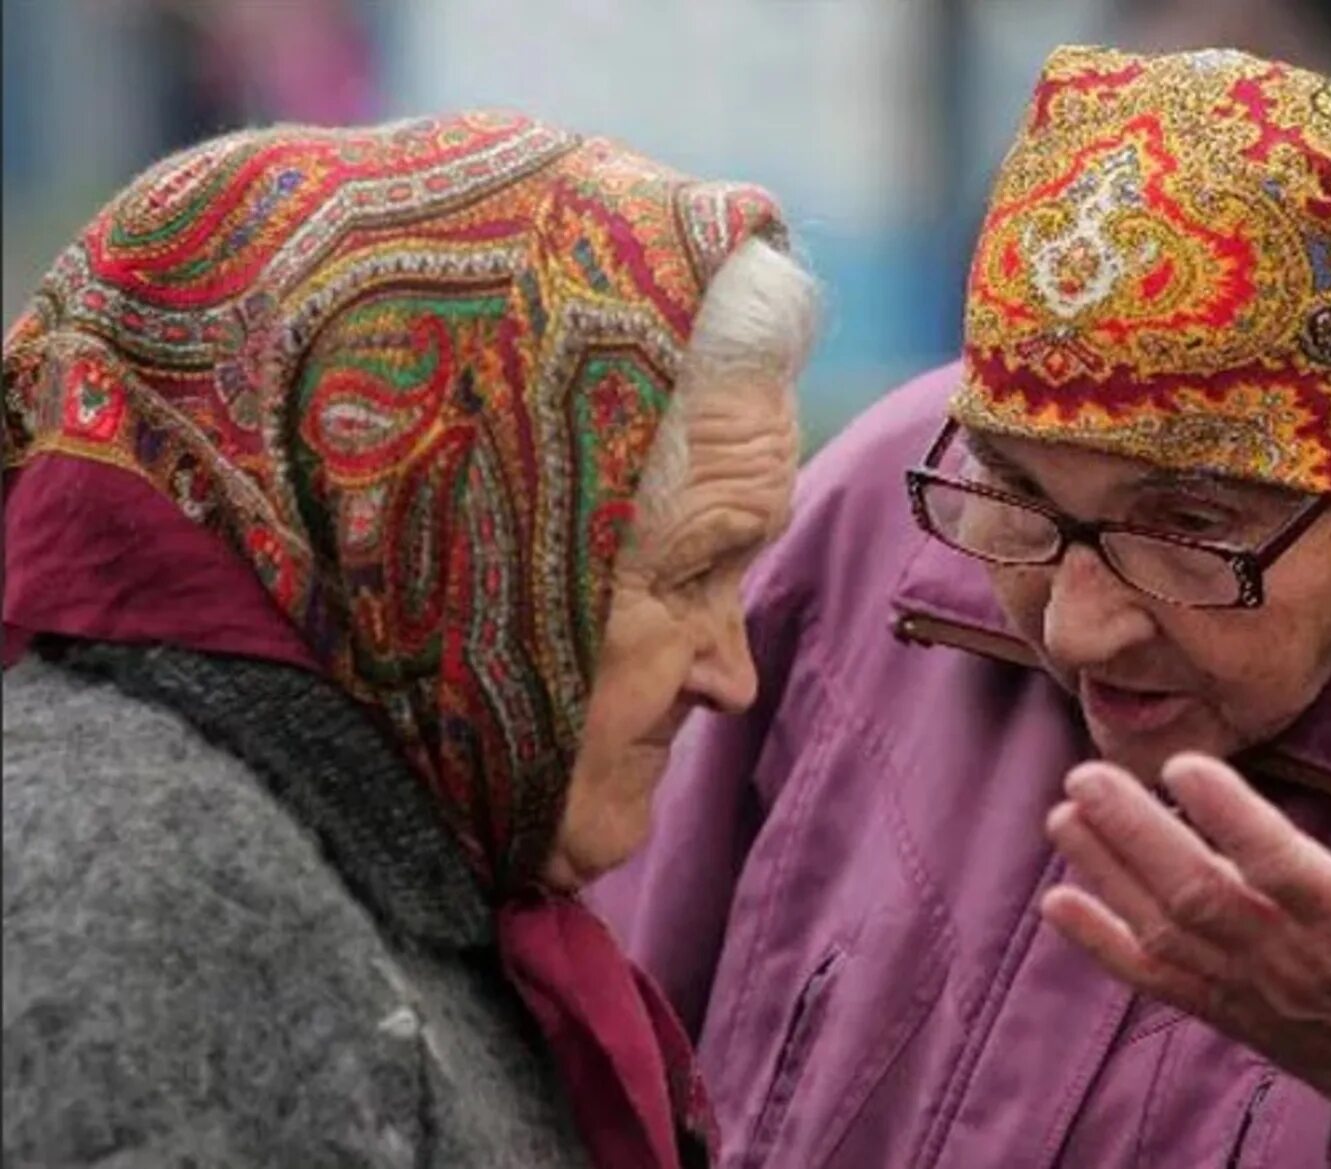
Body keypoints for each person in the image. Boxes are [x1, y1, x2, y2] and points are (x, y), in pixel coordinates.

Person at [593, 47, 1331, 1168]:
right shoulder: (878, 514)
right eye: (1018, 493)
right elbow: (612, 1044)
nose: (1076, 628)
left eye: (1186, 523)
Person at [2, 111, 816, 1169]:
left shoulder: (405, 848)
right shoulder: (149, 919)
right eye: (689, 572)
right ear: (440, 523)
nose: (733, 674)